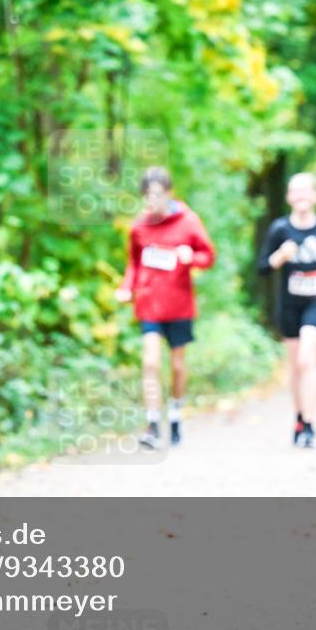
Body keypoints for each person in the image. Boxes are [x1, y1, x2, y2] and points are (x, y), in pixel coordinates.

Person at [116, 167, 215, 450]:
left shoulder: (188, 221)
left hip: (179, 305)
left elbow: (208, 256)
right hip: (148, 304)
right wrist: (126, 287)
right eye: (147, 196)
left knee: (177, 365)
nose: (152, 202)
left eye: (157, 196)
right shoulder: (138, 227)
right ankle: (151, 422)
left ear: (169, 194)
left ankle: (175, 412)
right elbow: (133, 263)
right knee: (149, 361)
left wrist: (191, 257)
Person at [257, 172, 316, 448]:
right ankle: (300, 418)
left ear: (315, 195)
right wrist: (280, 256)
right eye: (295, 191)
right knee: (295, 366)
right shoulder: (280, 229)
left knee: (307, 361)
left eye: (306, 191)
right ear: (289, 197)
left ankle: (311, 423)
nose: (301, 196)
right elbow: (262, 268)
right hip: (290, 305)